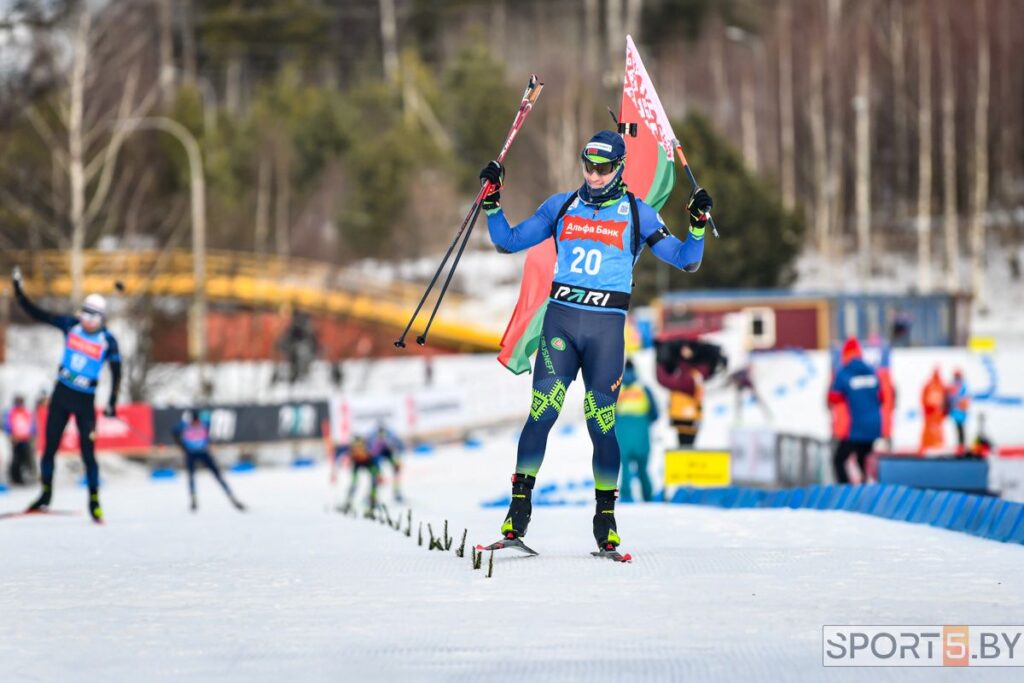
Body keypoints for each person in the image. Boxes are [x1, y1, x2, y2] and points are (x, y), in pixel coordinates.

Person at [480, 129, 711, 554]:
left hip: (606, 334)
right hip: (562, 326)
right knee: (541, 414)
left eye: (603, 168)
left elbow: (686, 260)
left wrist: (696, 227)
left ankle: (605, 521)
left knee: (601, 425)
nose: (594, 175)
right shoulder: (562, 205)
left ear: (619, 167)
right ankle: (517, 515)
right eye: (588, 165)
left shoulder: (639, 214)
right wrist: (492, 201)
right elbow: (507, 240)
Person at [11, 267, 120, 522]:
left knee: (87, 453)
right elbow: (38, 314)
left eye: (93, 316)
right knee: (49, 450)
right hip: (61, 397)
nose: (87, 319)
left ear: (101, 318)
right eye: (84, 313)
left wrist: (113, 402)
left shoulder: (108, 340)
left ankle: (94, 501)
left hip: (85, 403)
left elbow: (117, 372)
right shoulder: (70, 325)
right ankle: (45, 495)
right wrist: (19, 292)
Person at [828, 337, 882, 484]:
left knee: (838, 460)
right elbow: (881, 396)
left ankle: (844, 491)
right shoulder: (871, 371)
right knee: (861, 457)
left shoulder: (844, 372)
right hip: (874, 425)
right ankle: (865, 488)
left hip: (856, 427)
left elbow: (833, 397)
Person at [172, 410, 245, 512]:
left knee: (217, 475)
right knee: (191, 476)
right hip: (191, 453)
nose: (195, 423)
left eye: (196, 421)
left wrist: (211, 443)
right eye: (194, 421)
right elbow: (174, 432)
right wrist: (182, 447)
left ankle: (231, 496)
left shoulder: (204, 424)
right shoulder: (184, 425)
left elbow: (214, 431)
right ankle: (193, 499)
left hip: (203, 452)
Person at [615, 360, 659, 502]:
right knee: (643, 469)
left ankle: (627, 498)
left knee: (625, 470)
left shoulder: (617, 389)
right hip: (641, 435)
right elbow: (655, 414)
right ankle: (648, 497)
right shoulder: (643, 389)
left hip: (623, 435)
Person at [335, 435, 379, 515]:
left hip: (367, 463)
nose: (358, 447)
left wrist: (377, 472)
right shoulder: (351, 449)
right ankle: (348, 501)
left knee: (374, 481)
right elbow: (343, 456)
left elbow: (374, 459)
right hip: (357, 464)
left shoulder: (367, 448)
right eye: (356, 445)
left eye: (360, 445)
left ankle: (372, 500)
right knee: (354, 483)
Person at [3, 395, 37, 485]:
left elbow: (31, 425)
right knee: (16, 459)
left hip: (25, 439)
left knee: (27, 458)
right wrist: (11, 435)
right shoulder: (11, 412)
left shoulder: (26, 412)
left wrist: (32, 435)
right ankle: (15, 478)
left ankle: (25, 477)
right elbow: (8, 425)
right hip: (15, 440)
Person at [367, 424, 405, 503]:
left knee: (396, 469)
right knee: (375, 475)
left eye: (383, 435)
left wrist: (397, 462)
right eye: (380, 435)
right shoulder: (374, 442)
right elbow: (373, 457)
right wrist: (377, 472)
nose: (381, 437)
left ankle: (396, 491)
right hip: (376, 456)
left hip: (386, 453)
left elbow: (395, 450)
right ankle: (372, 495)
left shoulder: (389, 439)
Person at [920, 367, 947, 454]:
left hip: (937, 411)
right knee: (929, 428)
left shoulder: (941, 385)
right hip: (931, 411)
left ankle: (938, 445)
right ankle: (927, 444)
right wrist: (926, 407)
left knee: (937, 429)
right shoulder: (930, 385)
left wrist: (944, 410)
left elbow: (946, 398)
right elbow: (923, 396)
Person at [946, 369, 970, 454]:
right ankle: (960, 445)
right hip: (957, 410)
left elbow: (964, 398)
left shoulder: (960, 385)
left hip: (959, 410)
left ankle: (961, 446)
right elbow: (950, 397)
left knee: (960, 428)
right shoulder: (957, 385)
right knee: (959, 428)